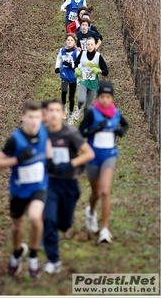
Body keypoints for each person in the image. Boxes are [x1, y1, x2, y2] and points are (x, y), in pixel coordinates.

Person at [0, 100, 52, 278]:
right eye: (30, 117)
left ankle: (33, 256)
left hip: (39, 186)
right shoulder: (15, 140)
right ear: (23, 118)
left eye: (37, 117)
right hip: (19, 189)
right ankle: (18, 252)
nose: (34, 121)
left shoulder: (44, 133)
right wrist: (17, 160)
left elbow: (48, 151)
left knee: (35, 217)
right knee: (17, 226)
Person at [43, 99, 95, 274]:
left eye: (58, 110)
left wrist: (71, 164)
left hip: (69, 183)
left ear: (63, 114)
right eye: (50, 110)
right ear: (47, 114)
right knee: (49, 219)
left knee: (63, 223)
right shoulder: (42, 135)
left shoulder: (70, 133)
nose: (54, 114)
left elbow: (89, 153)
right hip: (49, 182)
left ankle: (60, 227)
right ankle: (53, 259)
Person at [79, 81, 129, 243]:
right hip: (93, 156)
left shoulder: (116, 113)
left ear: (112, 98)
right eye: (102, 97)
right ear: (98, 97)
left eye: (108, 97)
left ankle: (105, 230)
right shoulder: (92, 113)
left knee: (105, 191)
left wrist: (121, 131)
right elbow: (81, 132)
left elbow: (125, 125)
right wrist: (96, 128)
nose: (105, 100)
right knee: (96, 193)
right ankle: (91, 213)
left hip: (109, 155)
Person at [73, 36, 108, 120]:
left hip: (93, 83)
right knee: (81, 100)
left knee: (87, 107)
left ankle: (84, 126)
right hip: (83, 80)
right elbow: (76, 63)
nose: (90, 46)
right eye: (88, 44)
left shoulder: (98, 56)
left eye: (91, 44)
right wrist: (77, 69)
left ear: (95, 45)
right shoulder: (83, 53)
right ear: (85, 45)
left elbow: (106, 71)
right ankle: (78, 109)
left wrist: (99, 71)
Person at [55, 34, 80, 125]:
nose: (69, 42)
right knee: (64, 90)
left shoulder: (76, 52)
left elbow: (79, 64)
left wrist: (72, 65)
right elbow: (59, 58)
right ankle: (64, 108)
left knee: (71, 97)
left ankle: (70, 115)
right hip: (64, 73)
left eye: (71, 40)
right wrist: (57, 67)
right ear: (65, 41)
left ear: (74, 42)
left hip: (73, 74)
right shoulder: (62, 50)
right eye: (68, 40)